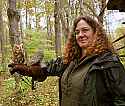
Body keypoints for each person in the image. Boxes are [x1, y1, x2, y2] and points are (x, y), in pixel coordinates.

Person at [8, 16, 125, 106]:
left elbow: (121, 99)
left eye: (85, 30)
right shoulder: (71, 60)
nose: (80, 35)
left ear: (96, 33)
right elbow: (49, 67)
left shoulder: (108, 62)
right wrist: (28, 70)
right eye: (77, 32)